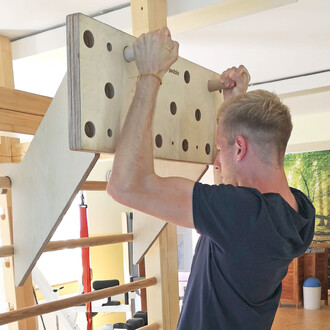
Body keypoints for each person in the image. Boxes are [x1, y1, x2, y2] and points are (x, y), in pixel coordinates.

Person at [107, 27, 315, 329]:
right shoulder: (297, 213)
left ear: (240, 147)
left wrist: (150, 74)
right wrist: (234, 103)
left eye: (220, 149)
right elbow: (236, 211)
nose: (216, 161)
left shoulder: (244, 215)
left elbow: (125, 185)